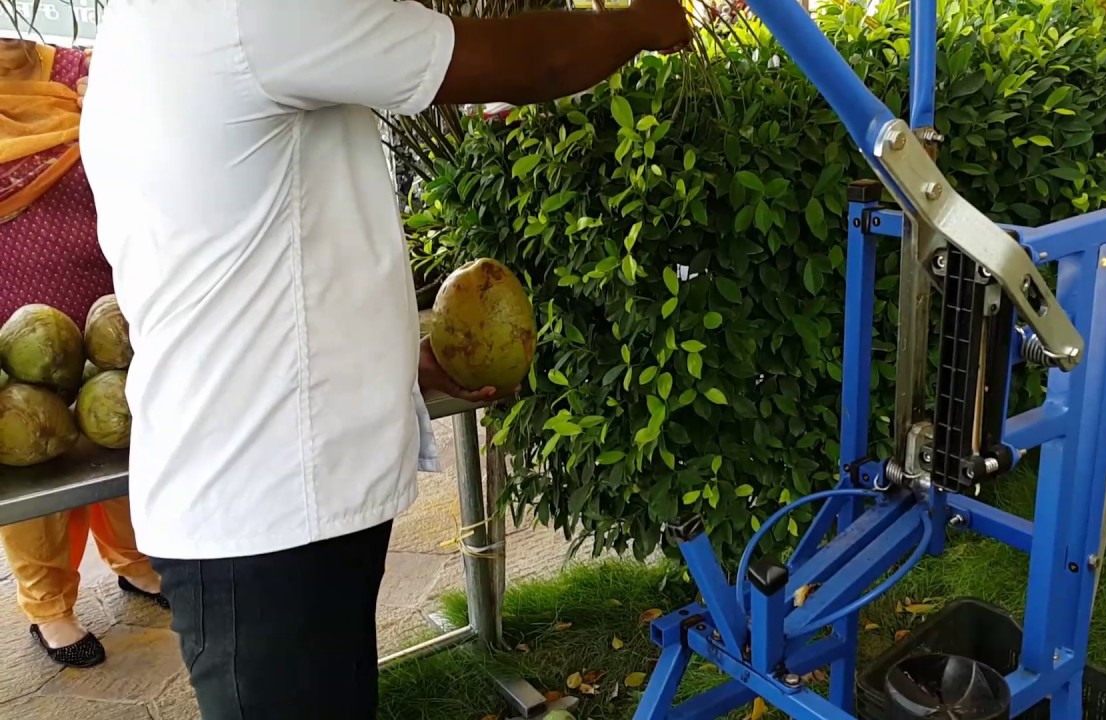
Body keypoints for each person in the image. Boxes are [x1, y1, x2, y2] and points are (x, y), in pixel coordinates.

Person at [78, 1, 691, 718]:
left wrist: (392, 356)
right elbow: (531, 61)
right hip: (264, 510)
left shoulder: (146, 24)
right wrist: (643, 23)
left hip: (264, 498)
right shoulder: (249, 12)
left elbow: (255, 251)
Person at [0, 38, 168, 670]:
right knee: (34, 463)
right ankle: (50, 608)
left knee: (124, 435)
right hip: (13, 333)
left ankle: (139, 564)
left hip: (108, 314)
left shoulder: (83, 70)